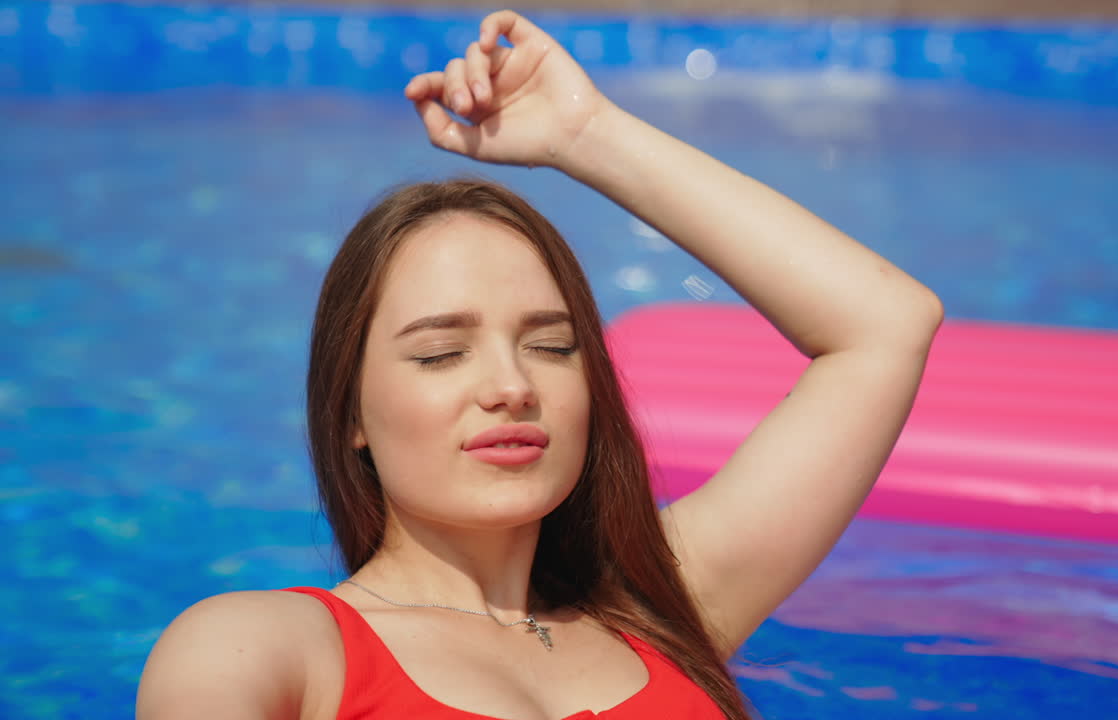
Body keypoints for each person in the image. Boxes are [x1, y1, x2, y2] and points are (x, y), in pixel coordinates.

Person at [135, 10, 942, 720]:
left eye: (552, 346)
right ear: (350, 414)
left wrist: (587, 136)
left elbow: (884, 325)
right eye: (442, 353)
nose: (512, 387)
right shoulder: (265, 648)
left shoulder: (667, 608)